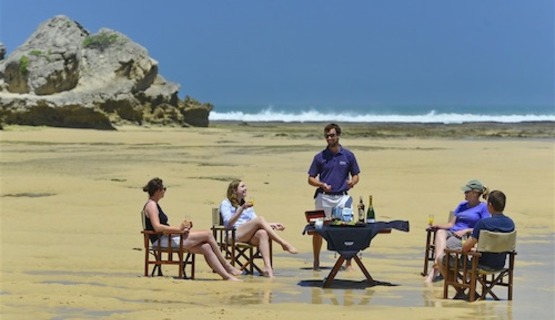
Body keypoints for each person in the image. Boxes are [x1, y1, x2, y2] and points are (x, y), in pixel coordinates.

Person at [142, 177, 242, 281]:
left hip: (168, 238)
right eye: (164, 189)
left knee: (206, 247)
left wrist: (181, 230)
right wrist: (179, 229)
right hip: (161, 242)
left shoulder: (154, 204)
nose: (164, 191)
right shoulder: (151, 205)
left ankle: (226, 276)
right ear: (158, 190)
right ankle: (227, 266)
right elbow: (157, 227)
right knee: (208, 234)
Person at [307, 123, 360, 271]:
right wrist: (321, 184)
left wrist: (352, 182)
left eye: (332, 135)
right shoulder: (319, 157)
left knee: (347, 230)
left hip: (342, 197)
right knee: (318, 230)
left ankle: (348, 262)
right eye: (326, 136)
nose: (329, 138)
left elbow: (356, 175)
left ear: (338, 135)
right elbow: (311, 178)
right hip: (323, 197)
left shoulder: (348, 155)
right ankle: (316, 261)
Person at [220, 179, 298, 278]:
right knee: (260, 220)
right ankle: (284, 244)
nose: (245, 188)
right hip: (233, 234)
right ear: (234, 191)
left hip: (247, 234)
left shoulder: (247, 204)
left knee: (262, 233)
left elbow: (257, 222)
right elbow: (228, 224)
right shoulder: (226, 203)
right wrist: (241, 209)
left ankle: (267, 268)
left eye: (245, 186)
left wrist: (272, 224)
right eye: (242, 186)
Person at [425, 179, 491, 283]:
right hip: (453, 232)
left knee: (448, 242)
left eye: (467, 191)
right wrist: (437, 225)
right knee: (440, 232)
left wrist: (466, 230)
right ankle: (439, 261)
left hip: (466, 237)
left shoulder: (483, 208)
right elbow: (451, 224)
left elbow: (484, 227)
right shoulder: (462, 205)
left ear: (474, 193)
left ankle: (434, 271)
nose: (464, 193)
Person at [461, 190, 515, 269]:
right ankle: (467, 280)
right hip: (500, 265)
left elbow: (466, 247)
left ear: (490, 205)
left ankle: (457, 280)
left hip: (481, 263)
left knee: (446, 260)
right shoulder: (510, 223)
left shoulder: (483, 223)